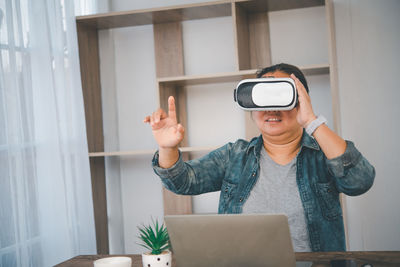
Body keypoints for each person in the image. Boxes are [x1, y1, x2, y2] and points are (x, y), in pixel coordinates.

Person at [143, 63, 375, 252]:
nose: (272, 108)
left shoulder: (325, 153)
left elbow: (360, 182)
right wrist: (167, 148)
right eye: (263, 96)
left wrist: (312, 122)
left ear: (301, 100)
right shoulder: (234, 156)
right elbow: (183, 181)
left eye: (281, 95)